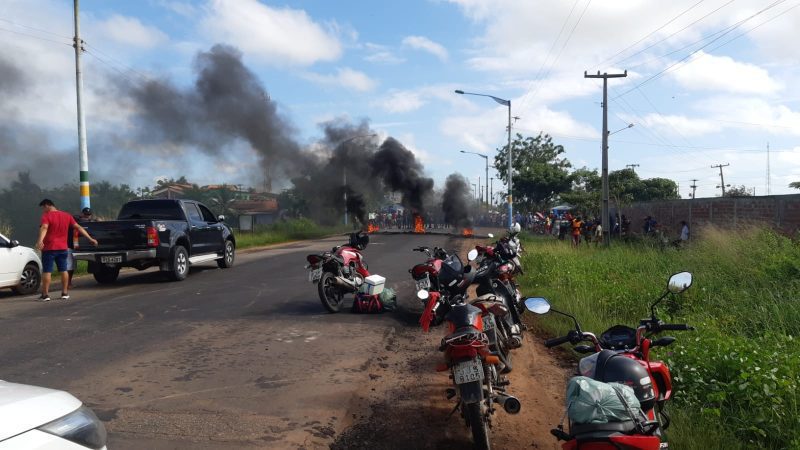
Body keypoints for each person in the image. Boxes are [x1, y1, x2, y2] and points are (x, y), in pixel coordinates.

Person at [36, 199, 97, 301]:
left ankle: (45, 295)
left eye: (43, 208)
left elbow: (44, 228)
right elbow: (79, 228)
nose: (43, 210)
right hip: (63, 248)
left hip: (49, 248)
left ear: (47, 205)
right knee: (64, 270)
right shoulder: (67, 215)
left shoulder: (47, 216)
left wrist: (40, 240)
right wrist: (90, 239)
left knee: (47, 271)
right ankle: (64, 293)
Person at [67, 207, 97, 288]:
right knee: (69, 266)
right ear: (82, 214)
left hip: (76, 246)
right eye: (85, 215)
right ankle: (67, 284)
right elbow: (78, 221)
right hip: (69, 245)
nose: (87, 217)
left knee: (72, 266)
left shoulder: (88, 222)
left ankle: (68, 283)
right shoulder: (75, 220)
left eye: (88, 215)